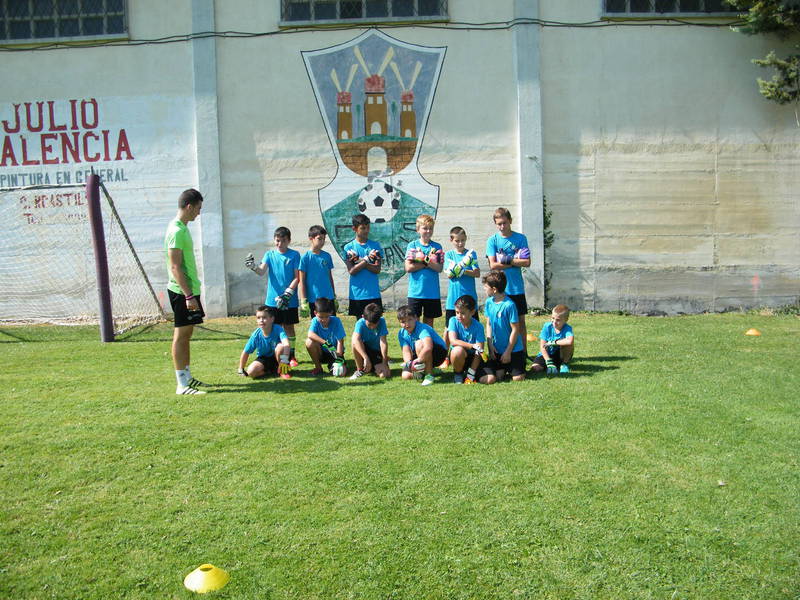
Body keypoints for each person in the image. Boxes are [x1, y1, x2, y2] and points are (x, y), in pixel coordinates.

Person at [165, 188, 208, 395]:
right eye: (198, 208)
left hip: (189, 290)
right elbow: (175, 267)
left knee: (187, 333)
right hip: (182, 292)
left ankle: (188, 377)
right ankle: (181, 384)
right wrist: (188, 295)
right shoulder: (176, 231)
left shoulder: (183, 228)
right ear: (189, 206)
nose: (199, 213)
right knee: (181, 335)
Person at [245, 226, 300, 366]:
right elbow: (261, 271)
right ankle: (276, 357)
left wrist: (287, 294)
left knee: (289, 327)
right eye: (277, 240)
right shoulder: (269, 254)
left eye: (283, 241)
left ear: (289, 241)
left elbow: (297, 277)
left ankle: (291, 356)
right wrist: (253, 266)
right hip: (272, 301)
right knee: (274, 329)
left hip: (289, 300)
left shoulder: (295, 255)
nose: (279, 243)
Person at [485, 207, 531, 355]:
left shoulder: (521, 238)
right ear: (495, 224)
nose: (502, 226)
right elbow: (493, 265)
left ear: (510, 220)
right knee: (496, 322)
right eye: (499, 224)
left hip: (516, 287)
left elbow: (527, 262)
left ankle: (523, 354)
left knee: (520, 322)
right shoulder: (492, 240)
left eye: (505, 223)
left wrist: (505, 259)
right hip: (498, 289)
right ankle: (498, 352)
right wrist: (515, 260)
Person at [442, 225, 480, 366]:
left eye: (462, 240)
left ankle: (476, 355)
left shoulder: (471, 254)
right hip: (453, 299)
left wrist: (462, 270)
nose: (460, 243)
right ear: (451, 240)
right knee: (448, 329)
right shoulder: (449, 255)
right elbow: (449, 274)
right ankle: (445, 358)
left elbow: (477, 273)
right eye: (457, 241)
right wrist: (463, 265)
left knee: (474, 326)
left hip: (470, 299)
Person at [483, 270, 526, 382]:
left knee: (518, 378)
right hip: (497, 349)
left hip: (513, 350)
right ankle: (504, 368)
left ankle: (516, 365)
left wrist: (508, 352)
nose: (484, 288)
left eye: (486, 286)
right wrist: (490, 346)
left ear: (494, 289)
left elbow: (515, 330)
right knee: (498, 376)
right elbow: (489, 324)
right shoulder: (489, 302)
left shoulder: (509, 305)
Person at [404, 214, 444, 328]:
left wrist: (423, 261)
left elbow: (439, 268)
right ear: (418, 229)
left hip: (432, 292)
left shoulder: (437, 246)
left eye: (430, 228)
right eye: (425, 228)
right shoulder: (412, 245)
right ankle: (416, 340)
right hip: (415, 292)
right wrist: (428, 262)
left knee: (429, 325)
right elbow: (408, 268)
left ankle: (427, 340)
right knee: (414, 323)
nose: (428, 231)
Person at [447, 295, 495, 385]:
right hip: (460, 356)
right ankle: (458, 374)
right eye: (457, 312)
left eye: (462, 313)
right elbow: (453, 341)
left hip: (475, 359)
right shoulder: (453, 321)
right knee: (457, 351)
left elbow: (479, 351)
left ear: (472, 312)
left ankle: (470, 374)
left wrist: (471, 374)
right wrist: (471, 346)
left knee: (490, 379)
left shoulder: (478, 326)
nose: (459, 316)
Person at [344, 214, 384, 319]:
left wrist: (360, 261)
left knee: (375, 322)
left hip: (373, 293)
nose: (366, 230)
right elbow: (352, 271)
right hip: (357, 294)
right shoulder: (349, 247)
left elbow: (377, 269)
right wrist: (367, 260)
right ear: (354, 229)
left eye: (368, 227)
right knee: (360, 323)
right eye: (362, 228)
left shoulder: (375, 246)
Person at [397, 304, 448, 387]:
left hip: (439, 353)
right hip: (421, 353)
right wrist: (409, 363)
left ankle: (429, 375)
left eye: (409, 320)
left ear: (415, 318)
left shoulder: (421, 328)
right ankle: (430, 370)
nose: (407, 324)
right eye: (403, 322)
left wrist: (419, 360)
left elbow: (428, 347)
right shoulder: (401, 333)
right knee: (406, 376)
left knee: (419, 344)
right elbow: (406, 351)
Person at [237, 305, 292, 379]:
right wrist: (241, 369)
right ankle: (272, 370)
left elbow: (287, 344)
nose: (261, 320)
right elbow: (246, 352)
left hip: (280, 356)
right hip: (264, 358)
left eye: (264, 317)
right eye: (258, 318)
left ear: (272, 319)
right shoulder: (256, 335)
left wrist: (284, 360)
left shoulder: (278, 329)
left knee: (281, 347)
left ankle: (283, 371)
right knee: (251, 372)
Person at [299, 225, 336, 318]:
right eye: (319, 239)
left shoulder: (327, 256)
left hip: (329, 298)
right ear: (311, 238)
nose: (322, 241)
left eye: (324, 239)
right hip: (314, 299)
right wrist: (303, 301)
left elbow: (330, 277)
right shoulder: (305, 258)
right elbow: (302, 282)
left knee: (332, 323)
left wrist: (334, 295)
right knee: (318, 324)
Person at [305, 297, 347, 375]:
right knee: (309, 342)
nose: (324, 320)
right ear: (315, 313)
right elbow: (310, 334)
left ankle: (333, 365)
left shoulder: (336, 321)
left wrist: (339, 357)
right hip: (321, 352)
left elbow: (340, 341)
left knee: (341, 373)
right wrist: (327, 344)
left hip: (335, 353)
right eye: (321, 317)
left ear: (331, 312)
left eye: (327, 317)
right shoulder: (315, 321)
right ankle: (318, 368)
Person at [350, 302, 391, 380]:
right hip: (364, 350)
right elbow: (355, 340)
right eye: (369, 325)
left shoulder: (382, 321)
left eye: (375, 324)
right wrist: (366, 358)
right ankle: (360, 370)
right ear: (363, 317)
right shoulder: (360, 323)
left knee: (384, 375)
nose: (372, 327)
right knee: (354, 342)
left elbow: (383, 342)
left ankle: (373, 366)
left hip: (376, 352)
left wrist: (384, 362)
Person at [531, 304, 574, 375]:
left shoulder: (567, 328)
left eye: (558, 320)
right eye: (553, 318)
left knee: (568, 345)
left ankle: (564, 364)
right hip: (546, 354)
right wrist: (548, 362)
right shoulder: (547, 327)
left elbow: (570, 341)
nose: (554, 322)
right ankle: (552, 365)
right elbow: (542, 346)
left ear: (566, 320)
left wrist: (554, 342)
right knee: (535, 368)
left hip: (559, 354)